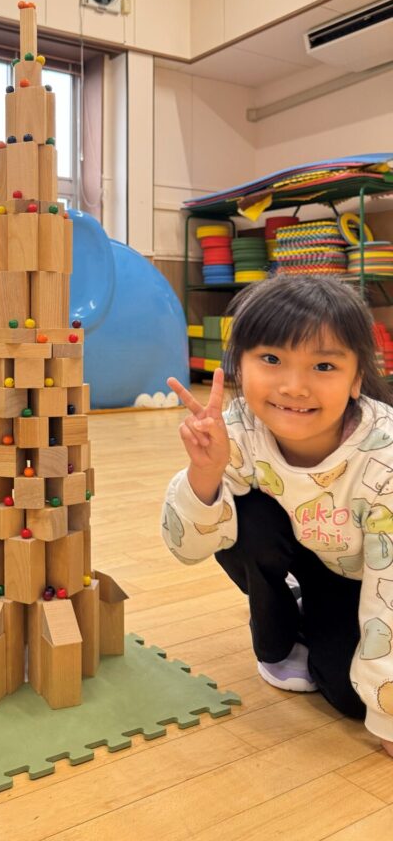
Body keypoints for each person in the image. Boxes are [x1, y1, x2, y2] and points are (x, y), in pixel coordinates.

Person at [163, 274, 393, 757]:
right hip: (313, 549)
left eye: (324, 365)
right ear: (239, 364)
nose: (293, 387)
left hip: (368, 574)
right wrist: (205, 472)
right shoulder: (238, 429)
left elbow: (387, 587)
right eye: (271, 359)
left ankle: (314, 614)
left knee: (351, 699)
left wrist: (386, 713)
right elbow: (187, 548)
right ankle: (281, 625)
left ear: (356, 379)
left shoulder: (384, 457)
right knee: (239, 515)